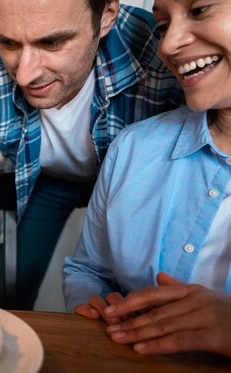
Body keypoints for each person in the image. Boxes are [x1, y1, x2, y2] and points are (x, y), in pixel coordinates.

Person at [0, 0, 185, 309]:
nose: (25, 75)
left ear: (107, 15)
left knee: (144, 293)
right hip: (46, 182)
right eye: (8, 43)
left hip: (133, 184)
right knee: (11, 288)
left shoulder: (162, 51)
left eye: (51, 43)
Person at [62, 0, 231, 357]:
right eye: (162, 25)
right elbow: (87, 269)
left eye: (199, 10)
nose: (167, 45)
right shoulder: (132, 148)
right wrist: (96, 307)